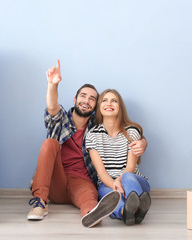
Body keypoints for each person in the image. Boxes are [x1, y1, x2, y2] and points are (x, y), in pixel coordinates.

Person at [27, 60, 148, 228]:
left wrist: (143, 141)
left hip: (82, 181)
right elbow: (52, 107)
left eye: (92, 99)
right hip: (57, 179)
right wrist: (52, 85)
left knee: (90, 196)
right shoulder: (61, 119)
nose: (86, 101)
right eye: (83, 96)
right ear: (75, 99)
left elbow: (125, 129)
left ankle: (92, 214)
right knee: (50, 143)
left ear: (95, 106)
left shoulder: (96, 127)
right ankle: (39, 202)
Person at [85, 89, 151, 226]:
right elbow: (101, 173)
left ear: (120, 107)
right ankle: (126, 213)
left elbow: (130, 168)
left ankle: (135, 202)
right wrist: (115, 186)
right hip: (108, 183)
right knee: (107, 194)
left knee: (127, 178)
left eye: (114, 101)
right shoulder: (92, 135)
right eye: (105, 100)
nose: (109, 103)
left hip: (134, 180)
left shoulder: (131, 131)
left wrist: (121, 183)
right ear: (99, 107)